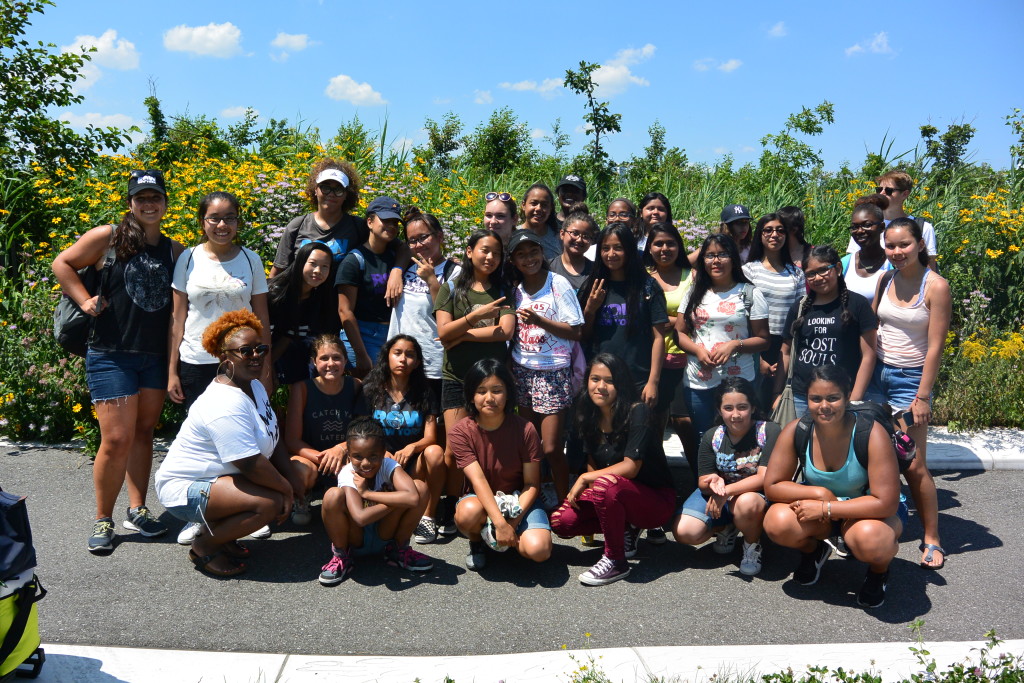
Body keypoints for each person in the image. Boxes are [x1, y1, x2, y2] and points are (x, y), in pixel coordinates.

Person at [52, 169, 184, 553]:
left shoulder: (175, 251)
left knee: (143, 433)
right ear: (130, 202)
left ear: (165, 203)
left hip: (154, 356)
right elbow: (62, 263)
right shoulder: (107, 237)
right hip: (111, 354)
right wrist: (84, 300)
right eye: (141, 197)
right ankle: (103, 518)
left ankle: (137, 509)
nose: (149, 204)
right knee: (115, 439)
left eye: (155, 197)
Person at [155, 310, 304, 577]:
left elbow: (273, 435)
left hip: (219, 478)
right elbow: (249, 463)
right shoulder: (224, 403)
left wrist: (293, 481)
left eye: (260, 348)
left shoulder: (254, 386)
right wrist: (285, 489)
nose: (256, 355)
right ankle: (204, 545)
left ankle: (223, 535)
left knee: (291, 481)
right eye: (245, 351)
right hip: (185, 488)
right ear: (225, 357)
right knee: (268, 503)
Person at [763, 365, 906, 608]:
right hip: (821, 511)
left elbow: (886, 503)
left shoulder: (871, 433)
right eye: (815, 398)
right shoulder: (797, 429)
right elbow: (773, 486)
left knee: (870, 539)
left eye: (833, 398)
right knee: (777, 521)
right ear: (806, 398)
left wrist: (827, 508)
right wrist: (820, 493)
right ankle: (813, 551)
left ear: (847, 397)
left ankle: (878, 572)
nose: (824, 406)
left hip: (870, 513)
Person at [868, 217, 951, 570]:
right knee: (872, 453)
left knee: (913, 464)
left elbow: (935, 347)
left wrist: (923, 396)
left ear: (919, 244)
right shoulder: (885, 279)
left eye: (904, 244)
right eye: (891, 245)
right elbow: (873, 326)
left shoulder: (936, 286)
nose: (897, 252)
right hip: (876, 374)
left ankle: (932, 537)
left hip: (910, 379)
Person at [552, 353, 676, 585]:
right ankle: (626, 528)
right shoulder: (587, 414)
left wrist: (587, 478)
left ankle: (615, 560)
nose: (601, 386)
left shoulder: (638, 411)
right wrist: (590, 490)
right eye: (595, 379)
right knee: (562, 521)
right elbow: (592, 461)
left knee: (604, 485)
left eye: (609, 381)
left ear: (621, 384)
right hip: (613, 493)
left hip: (655, 502)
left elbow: (631, 467)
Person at [434, 230, 515, 534]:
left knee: (489, 445)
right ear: (469, 251)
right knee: (453, 449)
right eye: (484, 250)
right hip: (456, 377)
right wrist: (475, 318)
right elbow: (443, 333)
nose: (490, 257)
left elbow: (505, 331)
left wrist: (462, 335)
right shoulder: (451, 288)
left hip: (491, 380)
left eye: (496, 252)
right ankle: (452, 501)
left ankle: (482, 501)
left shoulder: (503, 290)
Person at [168, 192, 270, 409]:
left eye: (229, 218)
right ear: (202, 222)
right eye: (214, 218)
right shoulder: (188, 258)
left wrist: (266, 369)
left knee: (240, 423)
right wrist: (171, 372)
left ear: (237, 222)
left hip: (241, 360)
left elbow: (262, 318)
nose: (222, 225)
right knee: (201, 425)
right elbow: (177, 319)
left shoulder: (252, 260)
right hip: (196, 360)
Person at [449, 359, 552, 570]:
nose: (489, 398)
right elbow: (478, 480)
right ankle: (478, 542)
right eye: (481, 391)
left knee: (539, 551)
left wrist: (510, 524)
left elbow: (532, 484)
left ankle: (504, 537)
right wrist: (499, 522)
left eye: (497, 390)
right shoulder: (460, 432)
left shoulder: (526, 429)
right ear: (471, 395)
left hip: (519, 499)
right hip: (481, 499)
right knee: (467, 513)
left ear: (508, 393)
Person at [671, 377, 778, 577]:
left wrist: (726, 491)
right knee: (685, 532)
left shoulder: (768, 430)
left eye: (742, 407)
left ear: (753, 407)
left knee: (747, 503)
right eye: (728, 408)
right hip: (721, 494)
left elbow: (764, 477)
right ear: (719, 411)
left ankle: (752, 545)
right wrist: (713, 481)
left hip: (752, 496)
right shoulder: (713, 435)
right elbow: (703, 481)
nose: (735, 415)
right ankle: (727, 526)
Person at [507, 230, 584, 504]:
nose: (529, 259)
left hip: (553, 371)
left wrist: (540, 321)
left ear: (542, 253)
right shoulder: (514, 290)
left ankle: (566, 504)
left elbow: (576, 331)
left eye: (533, 252)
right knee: (530, 446)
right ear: (513, 261)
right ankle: (534, 500)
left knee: (551, 447)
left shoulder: (557, 283)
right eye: (521, 254)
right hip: (522, 369)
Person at [318, 417, 433, 585]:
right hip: (357, 538)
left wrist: (367, 493)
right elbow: (360, 517)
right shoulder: (347, 473)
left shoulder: (388, 465)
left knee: (420, 487)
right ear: (349, 456)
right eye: (357, 457)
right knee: (332, 496)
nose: (365, 463)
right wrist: (396, 500)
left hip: (385, 533)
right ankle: (342, 556)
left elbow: (413, 497)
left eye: (373, 456)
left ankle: (398, 549)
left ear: (383, 452)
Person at [675, 234, 770, 437]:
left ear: (733, 259)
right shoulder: (693, 292)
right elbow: (679, 333)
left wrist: (734, 345)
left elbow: (763, 339)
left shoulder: (750, 293)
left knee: (738, 436)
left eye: (722, 255)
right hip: (699, 380)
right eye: (710, 255)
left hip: (738, 381)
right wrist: (698, 351)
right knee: (705, 437)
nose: (716, 261)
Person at [363, 335, 445, 545]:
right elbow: (362, 430)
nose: (402, 359)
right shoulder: (371, 389)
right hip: (379, 463)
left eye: (410, 355)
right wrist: (380, 452)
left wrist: (412, 447)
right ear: (387, 357)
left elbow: (431, 437)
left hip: (412, 465)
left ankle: (428, 516)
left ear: (417, 362)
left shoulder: (425, 393)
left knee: (435, 452)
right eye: (397, 353)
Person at [777, 245, 878, 416]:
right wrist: (776, 393)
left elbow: (869, 355)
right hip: (800, 396)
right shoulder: (799, 307)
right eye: (810, 274)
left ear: (838, 268)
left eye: (823, 270)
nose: (817, 278)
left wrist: (854, 400)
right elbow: (785, 352)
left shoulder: (858, 304)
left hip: (840, 396)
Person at [578, 224, 669, 407]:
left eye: (618, 248)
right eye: (605, 248)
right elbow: (583, 336)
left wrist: (653, 382)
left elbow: (659, 337)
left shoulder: (648, 287)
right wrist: (590, 310)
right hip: (600, 382)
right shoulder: (592, 286)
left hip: (638, 380)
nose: (611, 254)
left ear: (629, 250)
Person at [284, 335, 367, 526]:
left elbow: (362, 431)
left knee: (362, 466)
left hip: (344, 454)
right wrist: (326, 459)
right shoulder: (302, 389)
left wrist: (341, 449)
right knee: (300, 468)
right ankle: (302, 496)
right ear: (314, 362)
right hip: (311, 456)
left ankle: (349, 499)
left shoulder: (355, 385)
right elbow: (292, 441)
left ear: (345, 360)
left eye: (336, 358)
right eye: (324, 358)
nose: (331, 364)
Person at [388, 207, 461, 402]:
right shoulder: (406, 267)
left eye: (423, 237)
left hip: (433, 362)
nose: (418, 245)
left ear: (439, 236)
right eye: (412, 240)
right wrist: (396, 270)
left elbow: (449, 313)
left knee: (434, 416)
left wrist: (431, 280)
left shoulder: (455, 272)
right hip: (402, 361)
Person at [643, 221, 697, 479]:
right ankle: (660, 481)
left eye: (670, 243)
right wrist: (675, 320)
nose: (664, 249)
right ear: (649, 247)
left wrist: (666, 321)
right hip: (651, 360)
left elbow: (700, 317)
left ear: (679, 246)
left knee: (683, 422)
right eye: (658, 244)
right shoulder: (643, 277)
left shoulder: (693, 276)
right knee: (653, 422)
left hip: (685, 358)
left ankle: (699, 477)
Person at [742, 214, 807, 408]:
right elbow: (743, 313)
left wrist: (787, 354)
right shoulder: (748, 270)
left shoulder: (796, 273)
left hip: (785, 343)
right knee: (753, 403)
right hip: (755, 342)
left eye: (780, 230)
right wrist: (759, 359)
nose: (774, 235)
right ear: (760, 235)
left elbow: (801, 313)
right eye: (768, 230)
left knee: (777, 404)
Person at [336, 196, 403, 378]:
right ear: (370, 222)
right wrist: (360, 354)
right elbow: (344, 311)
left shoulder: (395, 256)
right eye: (386, 220)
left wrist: (397, 270)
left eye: (395, 222)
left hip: (392, 334)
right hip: (363, 336)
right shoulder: (354, 261)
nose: (391, 226)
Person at [269, 160, 366, 277]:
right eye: (325, 187)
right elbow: (278, 271)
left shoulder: (358, 227)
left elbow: (382, 254)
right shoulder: (297, 226)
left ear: (346, 194)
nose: (331, 194)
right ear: (315, 190)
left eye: (338, 190)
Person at [267, 241, 339, 386]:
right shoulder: (274, 293)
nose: (318, 270)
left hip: (279, 352)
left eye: (325, 266)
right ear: (300, 262)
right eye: (313, 264)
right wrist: (265, 367)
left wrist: (270, 364)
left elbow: (288, 336)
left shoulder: (316, 299)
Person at [846, 170, 938, 271]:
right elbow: (852, 263)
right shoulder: (865, 226)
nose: (882, 193)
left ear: (905, 194)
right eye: (879, 189)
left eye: (889, 191)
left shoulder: (923, 227)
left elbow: (930, 270)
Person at [841, 196, 892, 301]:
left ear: (882, 227)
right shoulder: (845, 264)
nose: (860, 231)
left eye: (867, 225)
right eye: (855, 227)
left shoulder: (893, 263)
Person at [548, 205, 597, 291]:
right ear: (562, 234)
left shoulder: (595, 270)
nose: (579, 239)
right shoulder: (549, 268)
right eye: (575, 233)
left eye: (586, 236)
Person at [517, 183, 562, 260]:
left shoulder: (559, 236)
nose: (538, 208)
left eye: (544, 205)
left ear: (550, 208)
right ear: (523, 205)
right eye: (534, 203)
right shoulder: (514, 234)